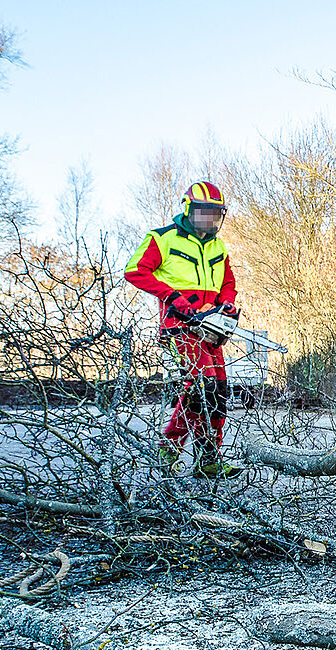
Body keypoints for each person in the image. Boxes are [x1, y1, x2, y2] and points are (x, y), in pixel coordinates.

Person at [124, 181, 241, 479]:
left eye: (215, 215)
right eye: (204, 213)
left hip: (212, 326)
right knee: (201, 387)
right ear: (189, 210)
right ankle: (169, 448)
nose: (209, 220)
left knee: (217, 390)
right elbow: (135, 271)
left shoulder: (218, 246)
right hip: (181, 326)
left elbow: (228, 282)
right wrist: (175, 298)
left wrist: (226, 304)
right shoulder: (163, 238)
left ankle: (208, 457)